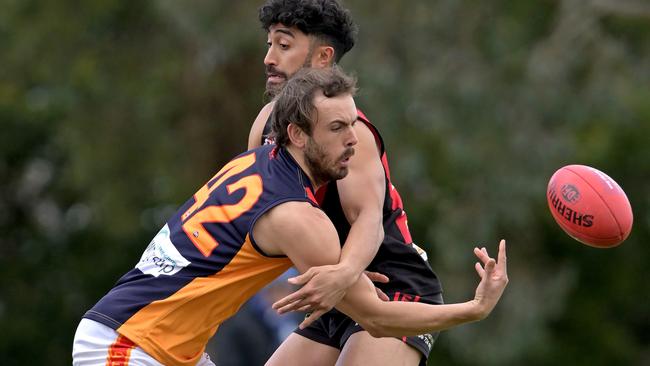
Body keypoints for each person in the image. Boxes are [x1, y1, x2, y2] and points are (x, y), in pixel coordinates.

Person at [72, 67, 508, 366]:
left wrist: (344, 271)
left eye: (353, 125)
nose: (353, 142)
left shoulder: (254, 162)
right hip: (131, 344)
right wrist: (471, 310)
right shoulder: (298, 216)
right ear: (298, 134)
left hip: (163, 346)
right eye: (337, 129)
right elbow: (377, 319)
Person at [248, 1, 480, 365]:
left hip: (394, 288)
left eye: (284, 45)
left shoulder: (348, 131)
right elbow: (256, 219)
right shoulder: (265, 124)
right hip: (339, 294)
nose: (269, 58)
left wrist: (344, 271)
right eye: (269, 44)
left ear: (323, 57)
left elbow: (367, 220)